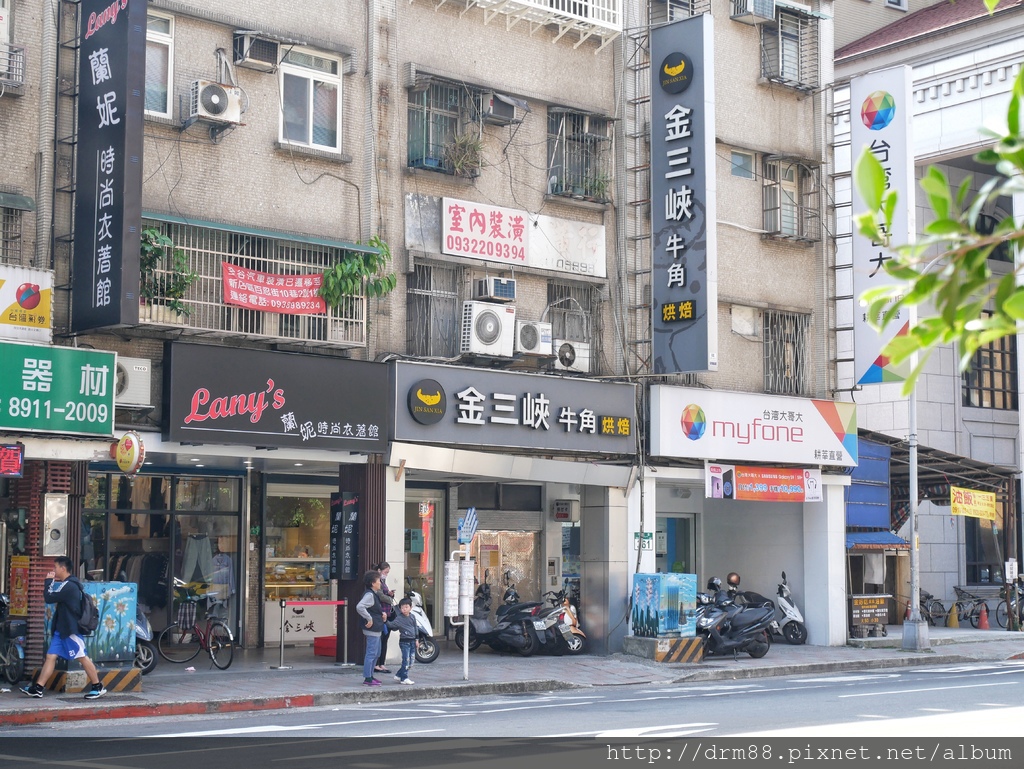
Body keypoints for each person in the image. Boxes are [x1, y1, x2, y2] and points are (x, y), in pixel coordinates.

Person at [21, 556, 107, 700]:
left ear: (62, 568)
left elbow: (49, 597)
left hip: (70, 630)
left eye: (55, 567)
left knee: (82, 657)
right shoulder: (70, 584)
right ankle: (38, 688)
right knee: (50, 656)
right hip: (62, 630)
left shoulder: (68, 585)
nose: (53, 570)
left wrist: (48, 581)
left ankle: (97, 686)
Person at [355, 569, 385, 687]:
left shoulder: (373, 594)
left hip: (376, 627)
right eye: (378, 581)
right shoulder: (369, 594)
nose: (380, 583)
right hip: (372, 628)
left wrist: (381, 613)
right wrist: (369, 618)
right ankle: (367, 677)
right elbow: (360, 607)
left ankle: (371, 676)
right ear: (373, 583)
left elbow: (372, 608)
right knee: (372, 653)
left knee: (376, 653)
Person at [386, 597, 417, 685]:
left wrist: (417, 639)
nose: (404, 609)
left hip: (412, 641)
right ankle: (404, 678)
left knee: (411, 661)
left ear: (410, 607)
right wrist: (385, 621)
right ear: (400, 609)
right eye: (402, 608)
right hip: (404, 642)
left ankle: (399, 675)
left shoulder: (412, 617)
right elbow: (391, 625)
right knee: (406, 660)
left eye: (406, 607)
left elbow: (415, 628)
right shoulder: (399, 618)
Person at [374, 561, 395, 674]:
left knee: (385, 639)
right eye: (385, 572)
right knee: (381, 639)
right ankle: (377, 664)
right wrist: (390, 599)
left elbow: (384, 594)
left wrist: (390, 594)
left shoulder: (383, 581)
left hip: (387, 614)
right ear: (379, 571)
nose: (386, 574)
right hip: (382, 614)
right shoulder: (377, 582)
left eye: (387, 572)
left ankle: (382, 663)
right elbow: (380, 596)